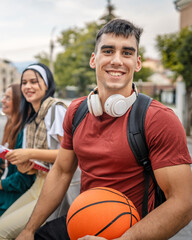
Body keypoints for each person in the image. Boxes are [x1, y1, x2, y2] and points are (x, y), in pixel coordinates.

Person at [17, 19, 192, 240]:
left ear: (137, 63)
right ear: (94, 59)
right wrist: (29, 230)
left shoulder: (158, 119)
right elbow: (61, 172)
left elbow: (183, 203)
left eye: (127, 53)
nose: (117, 60)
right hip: (81, 220)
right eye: (108, 51)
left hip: (132, 230)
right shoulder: (77, 111)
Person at [0, 63, 80, 239]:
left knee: (3, 231)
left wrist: (29, 153)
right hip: (38, 183)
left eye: (34, 82)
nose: (28, 87)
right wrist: (24, 164)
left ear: (47, 84)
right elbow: (30, 168)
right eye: (24, 82)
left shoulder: (55, 110)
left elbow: (71, 155)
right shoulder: (31, 119)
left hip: (54, 187)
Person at [0, 83, 35, 216]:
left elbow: (23, 180)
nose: (3, 100)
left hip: (13, 197)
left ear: (20, 103)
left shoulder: (24, 132)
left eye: (8, 98)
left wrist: (1, 184)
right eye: (4, 96)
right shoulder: (9, 126)